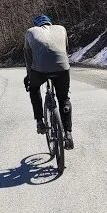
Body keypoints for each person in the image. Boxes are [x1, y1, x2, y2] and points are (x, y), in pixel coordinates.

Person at [23, 14, 74, 149]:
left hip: (40, 71)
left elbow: (28, 57)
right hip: (62, 68)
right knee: (63, 98)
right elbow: (66, 49)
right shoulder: (61, 29)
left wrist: (29, 76)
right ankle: (68, 134)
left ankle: (40, 122)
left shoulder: (30, 32)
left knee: (34, 90)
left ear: (36, 25)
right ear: (50, 23)